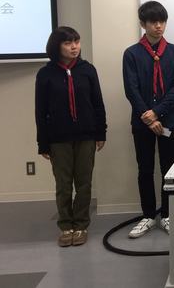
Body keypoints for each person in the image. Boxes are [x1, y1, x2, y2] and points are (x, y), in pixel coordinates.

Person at [35, 26, 107, 247]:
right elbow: (40, 111)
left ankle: (81, 225)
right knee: (63, 185)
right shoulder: (45, 74)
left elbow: (97, 103)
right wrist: (43, 143)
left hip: (86, 135)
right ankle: (66, 226)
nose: (74, 47)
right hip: (58, 139)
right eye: (68, 43)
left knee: (84, 183)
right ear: (56, 46)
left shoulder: (87, 70)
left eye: (76, 41)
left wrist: (101, 132)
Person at [123, 1, 174, 238]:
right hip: (142, 123)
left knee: (169, 169)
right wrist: (148, 117)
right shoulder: (132, 54)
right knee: (145, 169)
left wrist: (157, 112)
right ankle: (148, 215)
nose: (158, 26)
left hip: (169, 121)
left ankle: (167, 214)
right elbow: (131, 89)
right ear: (143, 24)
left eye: (162, 21)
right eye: (153, 22)